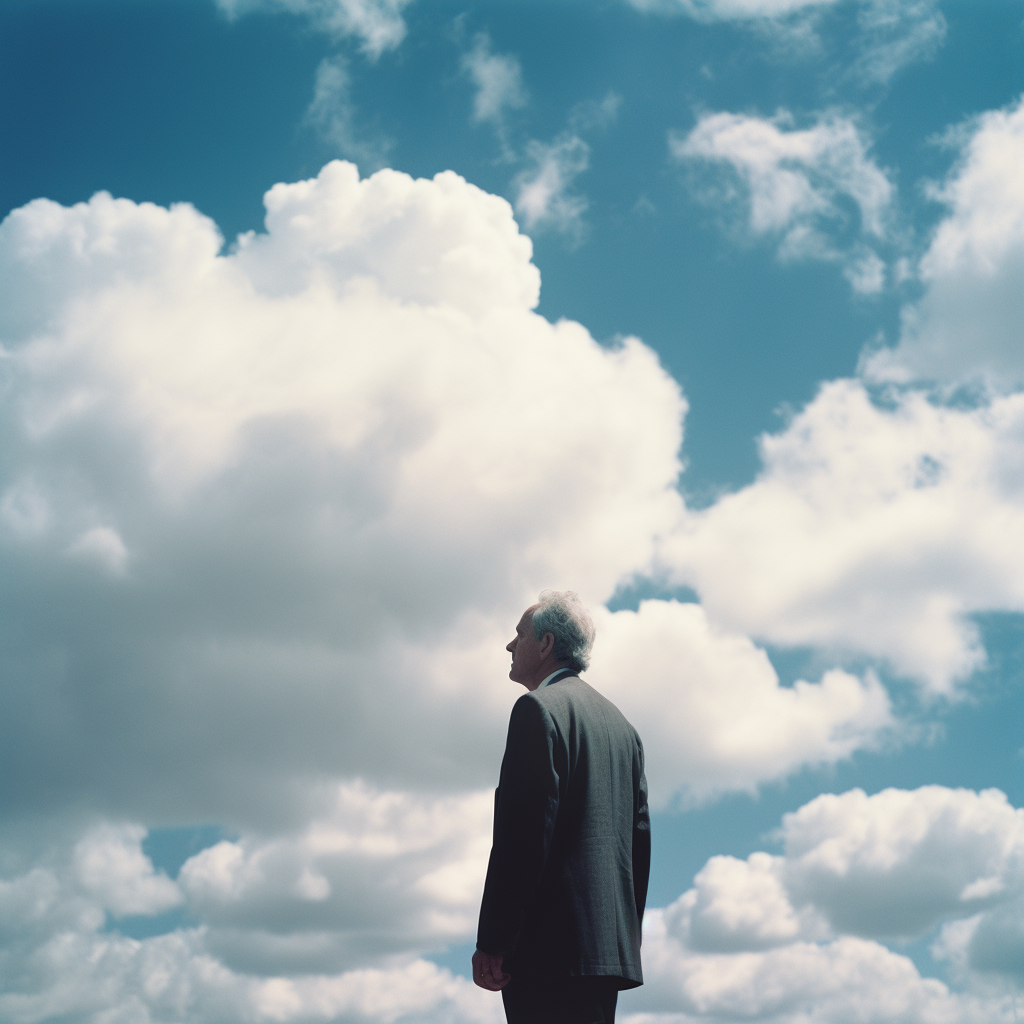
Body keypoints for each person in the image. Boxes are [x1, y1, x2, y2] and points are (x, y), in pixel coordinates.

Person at [473, 590, 650, 1024]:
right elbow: (638, 845)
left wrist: (493, 942)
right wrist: (621, 939)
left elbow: (523, 836)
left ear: (546, 644)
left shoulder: (537, 710)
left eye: (519, 635)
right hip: (606, 956)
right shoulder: (623, 728)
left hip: (545, 957)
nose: (510, 646)